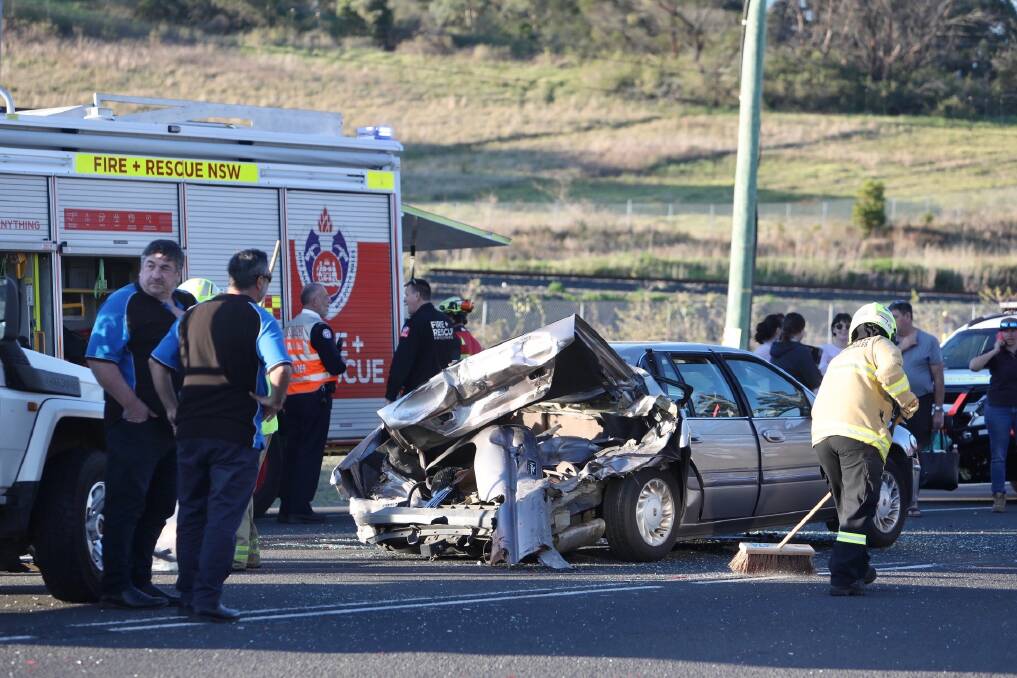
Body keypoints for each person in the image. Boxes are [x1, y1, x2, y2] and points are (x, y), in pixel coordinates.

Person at [149, 249, 291, 622]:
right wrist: (274, 400)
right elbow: (279, 366)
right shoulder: (260, 318)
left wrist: (171, 408)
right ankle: (208, 598)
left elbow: (158, 362)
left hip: (191, 430)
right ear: (260, 281)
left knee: (193, 513)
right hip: (236, 434)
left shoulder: (191, 315)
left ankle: (187, 592)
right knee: (223, 517)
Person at [85, 239, 196, 609]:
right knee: (127, 503)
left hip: (174, 426)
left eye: (164, 268)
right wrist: (130, 404)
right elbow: (101, 359)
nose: (155, 274)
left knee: (160, 505)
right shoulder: (123, 302)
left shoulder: (187, 305)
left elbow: (203, 352)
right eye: (149, 265)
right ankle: (116, 584)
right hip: (135, 422)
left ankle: (140, 579)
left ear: (180, 271)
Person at [812, 302, 919, 596]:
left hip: (823, 437)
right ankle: (843, 578)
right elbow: (890, 373)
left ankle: (859, 567)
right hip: (859, 437)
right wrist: (908, 402)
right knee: (857, 512)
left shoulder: (842, 357)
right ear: (887, 328)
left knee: (848, 507)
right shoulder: (882, 345)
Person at [178, 277, 269, 571]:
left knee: (230, 493)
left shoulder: (215, 332)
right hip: (259, 424)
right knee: (243, 493)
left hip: (246, 425)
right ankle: (250, 551)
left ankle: (236, 554)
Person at [278, 283, 347, 524]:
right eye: (326, 298)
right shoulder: (318, 328)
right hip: (315, 399)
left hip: (290, 399)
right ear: (315, 300)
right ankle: (301, 507)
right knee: (309, 453)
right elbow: (335, 366)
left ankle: (287, 507)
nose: (329, 302)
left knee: (291, 453)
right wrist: (339, 355)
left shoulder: (288, 327)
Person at [968, 316, 1017, 513]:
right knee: (998, 455)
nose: (1010, 335)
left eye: (1014, 331)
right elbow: (974, 365)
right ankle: (999, 496)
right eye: (1006, 331)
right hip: (998, 408)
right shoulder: (996, 352)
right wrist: (996, 349)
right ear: (1001, 333)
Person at [385, 278, 460, 402]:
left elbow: (402, 361)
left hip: (418, 396)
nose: (405, 299)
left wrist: (391, 394)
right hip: (444, 394)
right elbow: (456, 352)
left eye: (407, 295)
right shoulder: (445, 321)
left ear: (417, 296)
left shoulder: (415, 323)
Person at [887, 300, 945, 453]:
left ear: (907, 316)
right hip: (892, 403)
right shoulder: (887, 342)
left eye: (894, 316)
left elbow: (938, 378)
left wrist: (939, 410)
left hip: (920, 402)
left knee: (918, 446)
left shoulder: (929, 341)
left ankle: (919, 475)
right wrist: (903, 346)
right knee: (894, 444)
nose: (890, 321)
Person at [770, 312, 822, 390]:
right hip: (794, 399)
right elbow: (816, 382)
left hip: (774, 397)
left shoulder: (775, 348)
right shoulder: (801, 351)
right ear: (801, 330)